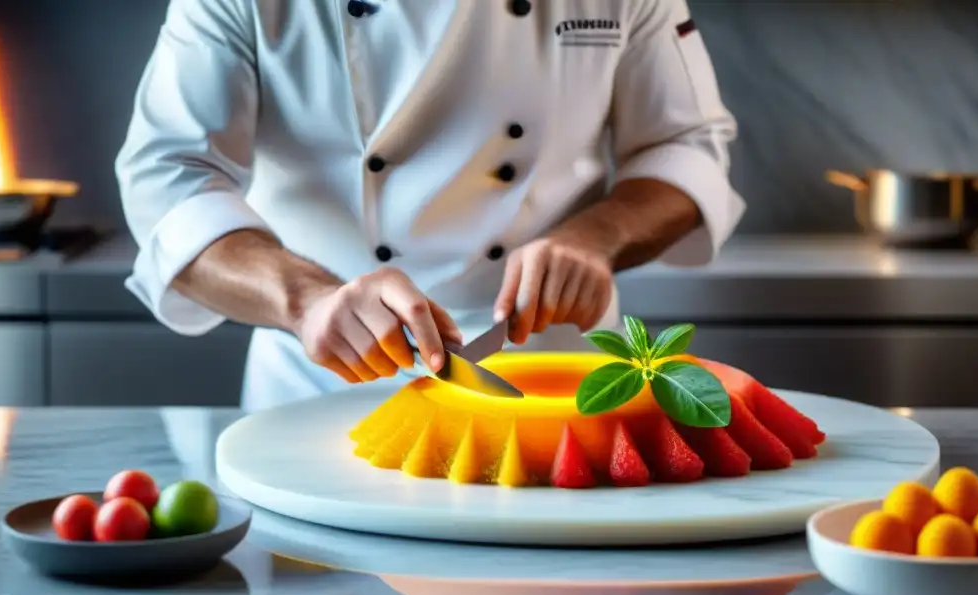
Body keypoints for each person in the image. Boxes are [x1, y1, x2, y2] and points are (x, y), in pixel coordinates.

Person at [117, 0, 745, 412]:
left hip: (552, 373)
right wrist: (309, 301)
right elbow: (169, 175)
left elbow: (686, 144)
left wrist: (597, 236)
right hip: (324, 382)